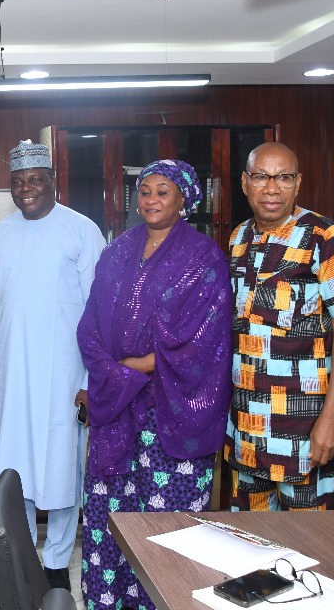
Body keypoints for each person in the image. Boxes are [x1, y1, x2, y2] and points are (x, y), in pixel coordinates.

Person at [76, 160, 232, 610]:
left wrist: (137, 365)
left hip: (174, 411)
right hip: (118, 412)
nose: (151, 200)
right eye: (144, 191)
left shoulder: (204, 257)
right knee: (111, 519)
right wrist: (115, 371)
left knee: (165, 529)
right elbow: (89, 325)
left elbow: (207, 339)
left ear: (185, 199)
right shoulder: (118, 250)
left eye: (163, 192)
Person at [0, 141, 105, 589]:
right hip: (12, 372)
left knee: (61, 466)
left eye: (34, 180)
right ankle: (18, 552)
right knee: (14, 465)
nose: (25, 189)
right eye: (17, 183)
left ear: (52, 181)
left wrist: (92, 380)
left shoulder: (81, 230)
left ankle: (55, 563)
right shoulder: (0, 233)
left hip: (64, 373)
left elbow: (99, 310)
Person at [226, 142, 334, 511]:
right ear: (245, 182)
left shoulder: (325, 237)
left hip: (303, 427)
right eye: (261, 177)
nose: (272, 189)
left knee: (307, 550)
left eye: (284, 178)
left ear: (298, 182)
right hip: (246, 427)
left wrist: (331, 419)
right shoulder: (238, 238)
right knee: (249, 544)